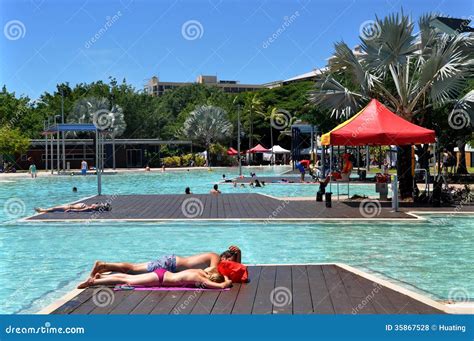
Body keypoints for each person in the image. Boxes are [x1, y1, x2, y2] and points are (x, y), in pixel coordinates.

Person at [86, 246, 242, 277]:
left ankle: (105, 271)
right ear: (225, 258)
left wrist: (239, 254)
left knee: (135, 270)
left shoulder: (218, 259)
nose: (230, 266)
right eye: (230, 262)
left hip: (171, 264)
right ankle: (103, 265)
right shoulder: (215, 257)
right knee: (133, 269)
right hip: (170, 264)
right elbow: (212, 272)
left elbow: (238, 268)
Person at [78, 266, 232, 289]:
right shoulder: (202, 280)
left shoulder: (203, 271)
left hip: (162, 273)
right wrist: (227, 282)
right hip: (161, 280)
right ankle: (94, 281)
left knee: (126, 276)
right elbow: (222, 287)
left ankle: (100, 277)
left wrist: (224, 275)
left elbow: (216, 273)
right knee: (127, 280)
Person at [35, 202, 111, 213]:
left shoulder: (89, 208)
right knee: (54, 208)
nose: (95, 204)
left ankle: (42, 210)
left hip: (68, 207)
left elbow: (81, 211)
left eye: (96, 205)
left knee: (54, 208)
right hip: (69, 206)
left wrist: (71, 210)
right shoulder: (90, 207)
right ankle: (43, 210)